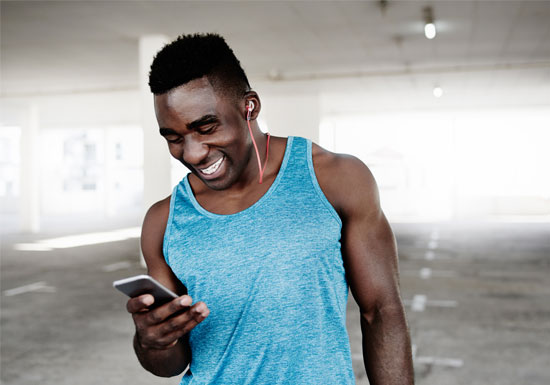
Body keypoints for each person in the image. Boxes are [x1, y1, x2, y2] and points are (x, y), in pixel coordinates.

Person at [126, 33, 414, 385]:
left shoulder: (336, 179)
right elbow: (169, 364)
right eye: (173, 137)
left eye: (206, 127)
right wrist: (152, 341)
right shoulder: (163, 221)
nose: (192, 153)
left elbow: (381, 312)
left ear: (250, 106)